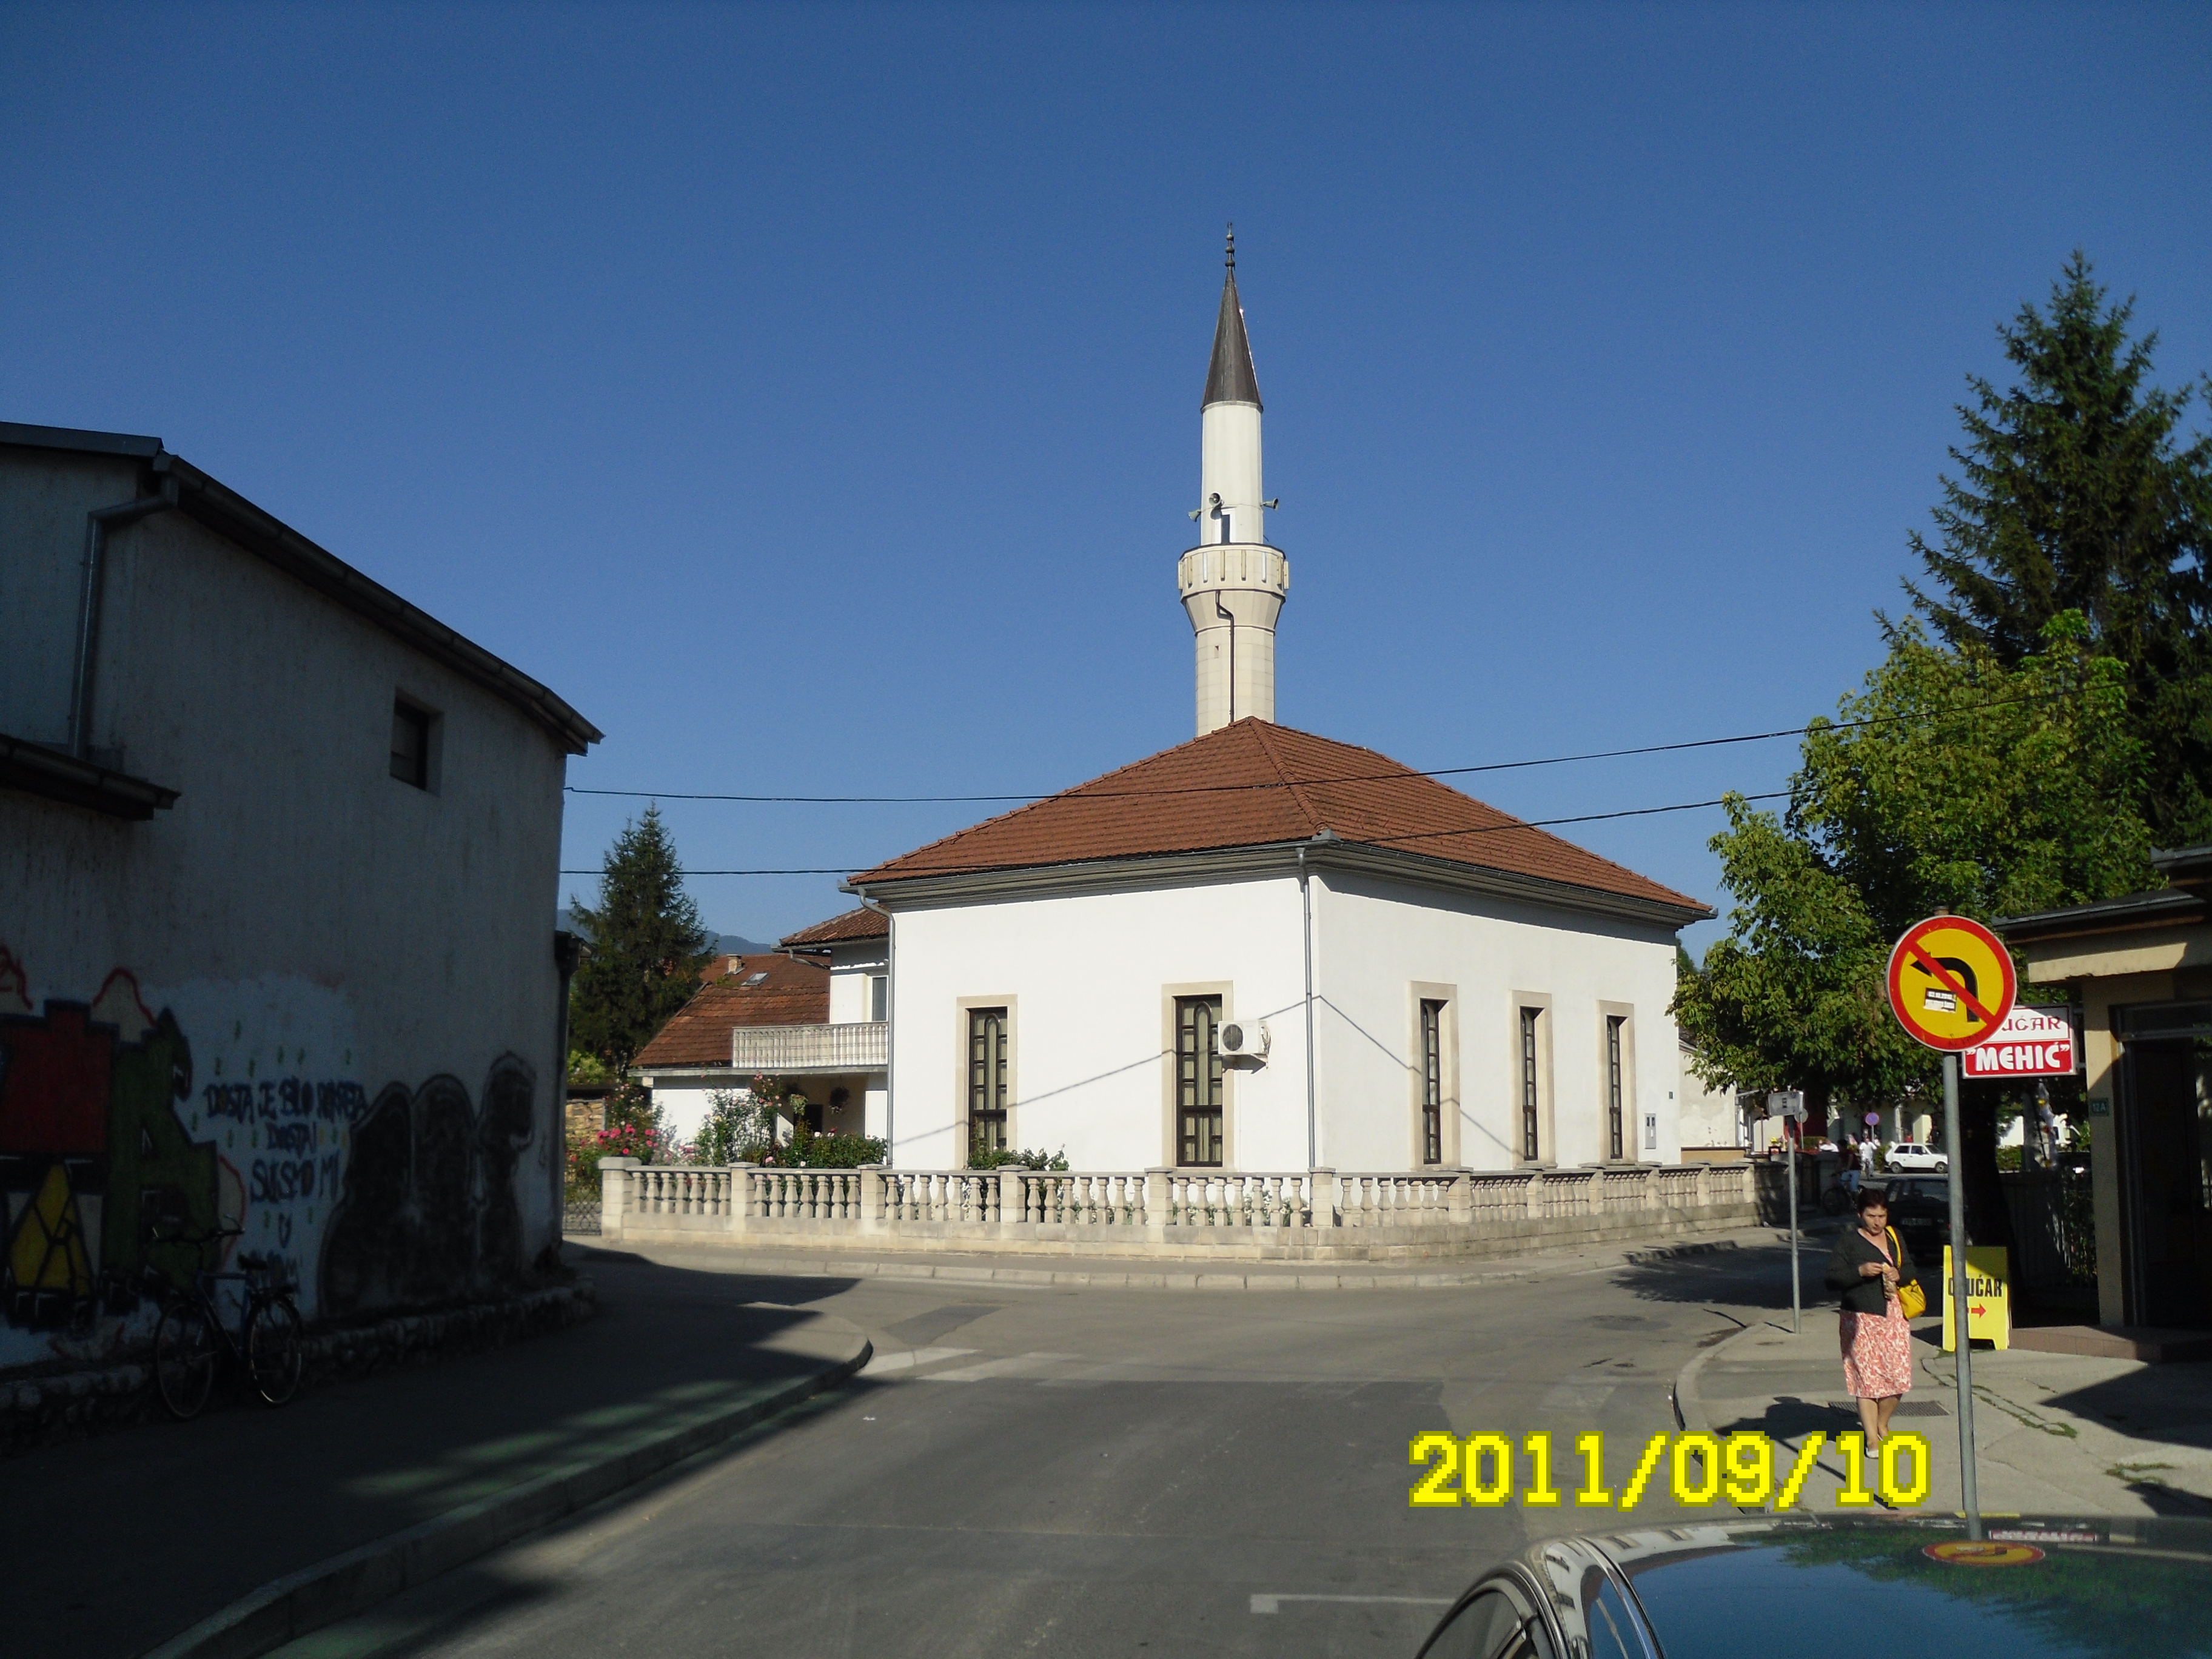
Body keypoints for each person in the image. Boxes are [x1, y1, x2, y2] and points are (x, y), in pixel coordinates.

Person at [1825, 1185, 1920, 1459]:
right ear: (1860, 1215)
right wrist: (1860, 1271)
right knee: (1866, 1381)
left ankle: (1882, 1422)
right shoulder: (1848, 1242)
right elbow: (1831, 1279)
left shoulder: (1894, 1237)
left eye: (1882, 1216)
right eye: (1871, 1216)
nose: (1878, 1222)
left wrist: (1898, 1274)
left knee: (1898, 1378)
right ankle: (1871, 1438)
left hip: (1893, 1317)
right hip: (1859, 1318)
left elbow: (1911, 1268)